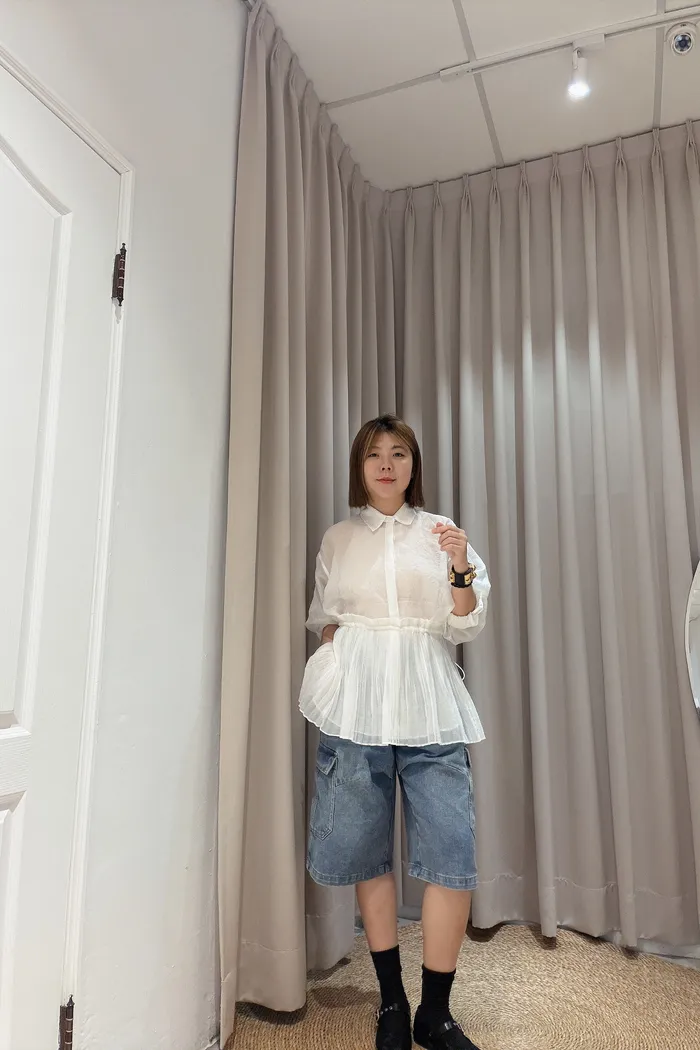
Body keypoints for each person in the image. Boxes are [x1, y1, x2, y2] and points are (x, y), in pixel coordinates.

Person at [299, 414, 490, 1050]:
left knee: (451, 856)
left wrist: (459, 564)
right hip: (358, 710)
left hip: (430, 703)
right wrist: (343, 651)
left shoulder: (441, 533)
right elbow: (323, 615)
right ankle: (392, 1001)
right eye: (375, 454)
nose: (386, 464)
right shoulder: (338, 538)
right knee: (365, 850)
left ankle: (436, 1013)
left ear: (414, 465)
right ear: (360, 466)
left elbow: (466, 623)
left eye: (399, 453)